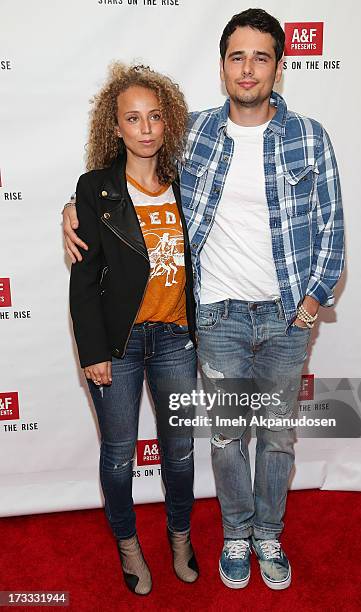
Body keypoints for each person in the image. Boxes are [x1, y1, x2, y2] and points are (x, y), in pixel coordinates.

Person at [64, 9, 344, 592]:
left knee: (276, 437)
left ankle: (268, 533)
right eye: (237, 56)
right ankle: (236, 534)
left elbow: (332, 233)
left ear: (278, 66)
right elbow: (125, 180)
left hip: (287, 317)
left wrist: (313, 301)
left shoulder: (310, 137)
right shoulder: (192, 135)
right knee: (222, 438)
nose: (248, 68)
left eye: (260, 56)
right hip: (214, 318)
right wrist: (72, 209)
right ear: (222, 67)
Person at [68, 62, 198, 596]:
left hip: (175, 340)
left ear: (167, 124)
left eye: (154, 118)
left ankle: (181, 536)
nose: (145, 129)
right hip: (118, 346)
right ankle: (127, 543)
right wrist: (92, 349)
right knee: (119, 456)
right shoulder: (95, 189)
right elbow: (83, 280)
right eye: (132, 118)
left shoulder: (189, 186)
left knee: (181, 450)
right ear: (115, 127)